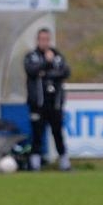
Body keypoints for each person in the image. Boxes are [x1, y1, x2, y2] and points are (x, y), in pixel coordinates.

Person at [24, 27, 71, 171]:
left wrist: (45, 73)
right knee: (37, 134)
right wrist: (46, 64)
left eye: (47, 39)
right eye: (42, 39)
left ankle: (64, 163)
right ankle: (35, 164)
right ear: (38, 40)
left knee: (57, 133)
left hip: (54, 103)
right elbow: (31, 70)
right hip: (38, 104)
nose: (45, 42)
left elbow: (65, 71)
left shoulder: (57, 55)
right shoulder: (32, 56)